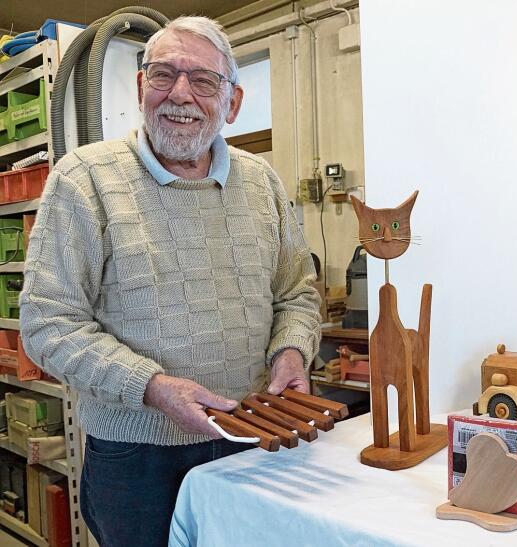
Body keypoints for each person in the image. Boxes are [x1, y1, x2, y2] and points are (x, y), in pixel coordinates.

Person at [19, 15, 321, 546]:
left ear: (232, 102)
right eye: (163, 75)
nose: (180, 93)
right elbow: (48, 324)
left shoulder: (261, 181)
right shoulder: (83, 178)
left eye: (203, 80)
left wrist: (292, 352)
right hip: (136, 457)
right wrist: (154, 389)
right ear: (141, 88)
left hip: (251, 436)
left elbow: (296, 292)